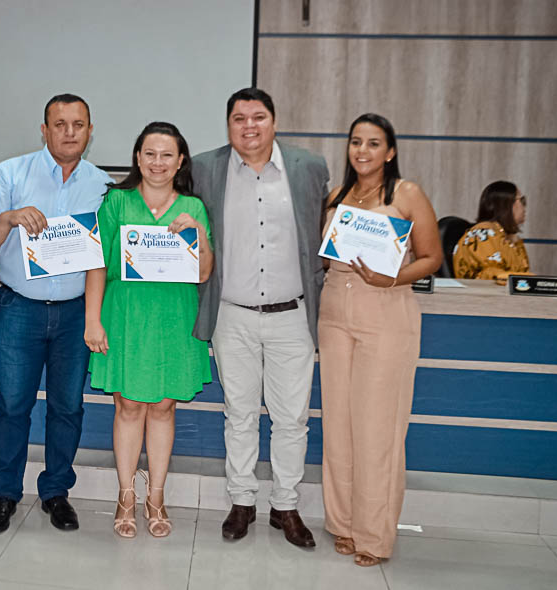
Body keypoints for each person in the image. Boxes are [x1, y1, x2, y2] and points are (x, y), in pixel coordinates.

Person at [191, 87, 328, 545]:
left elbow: (324, 231)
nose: (249, 126)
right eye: (239, 118)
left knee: (292, 418)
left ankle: (286, 506)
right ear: (227, 124)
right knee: (240, 414)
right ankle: (242, 501)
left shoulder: (308, 167)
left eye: (258, 116)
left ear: (274, 120)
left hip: (293, 314)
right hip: (232, 313)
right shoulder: (206, 167)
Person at [0, 94, 111, 534]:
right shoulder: (11, 174)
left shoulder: (103, 186)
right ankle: (5, 493)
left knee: (67, 407)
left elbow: (103, 258)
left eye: (78, 124)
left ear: (90, 132)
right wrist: (10, 217)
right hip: (19, 310)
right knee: (12, 405)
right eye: (60, 123)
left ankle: (55, 492)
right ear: (45, 130)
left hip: (75, 313)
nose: (70, 132)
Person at [318, 113, 442, 566]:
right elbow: (329, 260)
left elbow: (432, 257)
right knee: (339, 426)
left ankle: (374, 535)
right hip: (334, 313)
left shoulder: (406, 194)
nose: (362, 151)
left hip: (386, 312)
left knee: (377, 430)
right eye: (355, 142)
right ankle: (344, 524)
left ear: (390, 151)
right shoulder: (336, 197)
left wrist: (391, 278)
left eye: (373, 143)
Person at [84, 122, 213, 538]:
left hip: (175, 319)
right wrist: (92, 319)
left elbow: (205, 271)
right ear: (137, 158)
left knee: (162, 408)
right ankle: (125, 496)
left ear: (180, 162)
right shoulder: (117, 203)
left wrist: (197, 235)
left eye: (167, 155)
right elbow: (97, 264)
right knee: (128, 408)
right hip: (125, 317)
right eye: (150, 154)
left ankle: (156, 496)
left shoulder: (193, 208)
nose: (158, 163)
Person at [453, 181, 529, 282]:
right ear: (506, 204)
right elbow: (492, 275)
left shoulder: (513, 239)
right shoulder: (482, 233)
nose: (525, 207)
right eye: (522, 200)